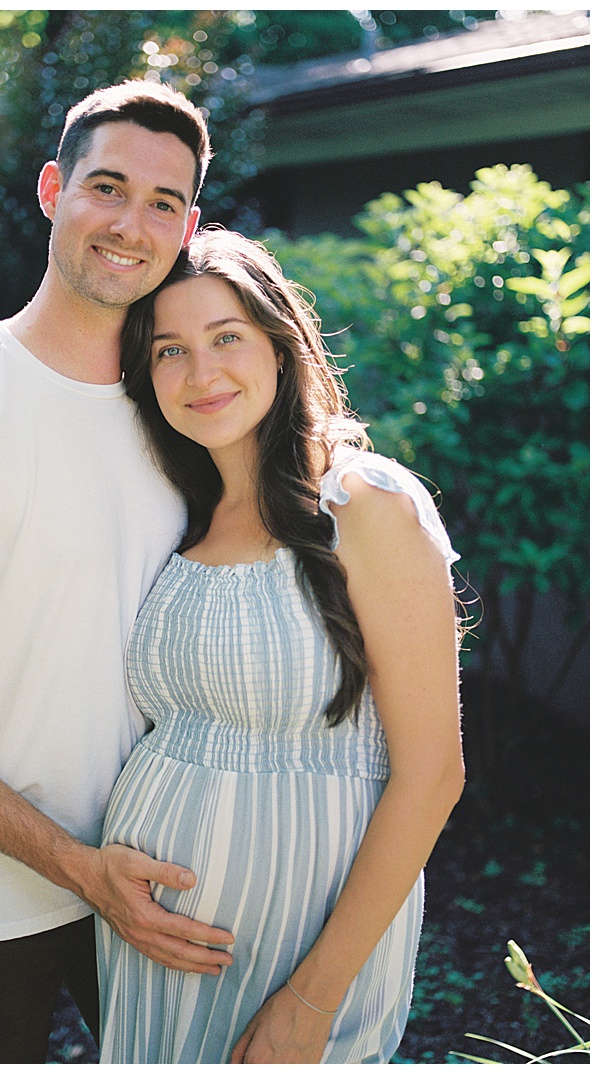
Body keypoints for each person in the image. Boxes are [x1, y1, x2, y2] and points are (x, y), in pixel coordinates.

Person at [0, 80, 236, 1063]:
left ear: (187, 224)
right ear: (52, 188)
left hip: (162, 869)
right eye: (107, 187)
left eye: (162, 203)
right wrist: (74, 866)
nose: (130, 224)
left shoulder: (183, 406)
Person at [99, 227, 464, 1062]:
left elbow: (433, 773)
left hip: (302, 951)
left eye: (227, 337)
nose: (202, 374)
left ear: (281, 343)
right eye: (169, 351)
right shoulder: (180, 514)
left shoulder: (362, 504)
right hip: (152, 944)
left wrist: (311, 998)